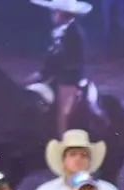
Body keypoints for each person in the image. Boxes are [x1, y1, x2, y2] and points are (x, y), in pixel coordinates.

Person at [28, 0, 92, 137]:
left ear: (62, 14)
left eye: (55, 12)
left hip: (70, 78)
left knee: (63, 113)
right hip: (58, 75)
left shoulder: (75, 34)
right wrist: (41, 73)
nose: (52, 15)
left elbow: (74, 60)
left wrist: (51, 72)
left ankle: (62, 141)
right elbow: (52, 57)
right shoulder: (59, 32)